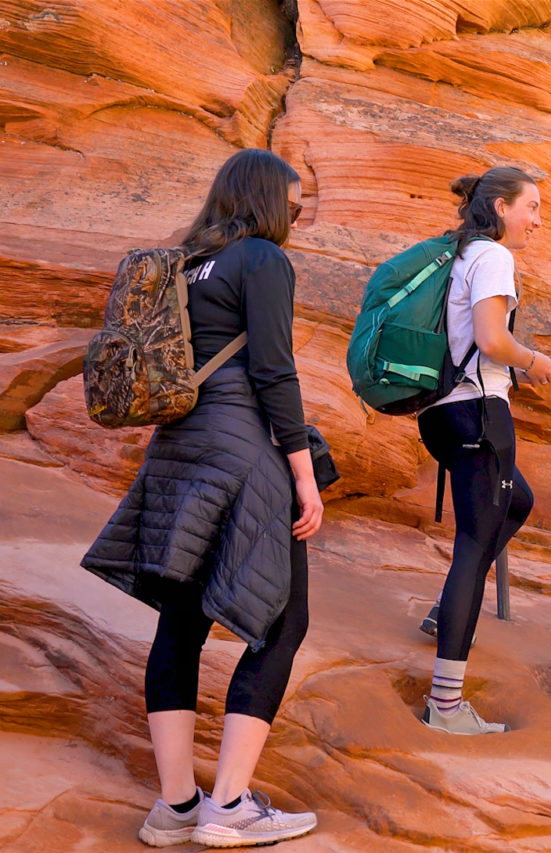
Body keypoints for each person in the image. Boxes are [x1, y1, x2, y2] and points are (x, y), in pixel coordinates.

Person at [81, 148, 324, 847]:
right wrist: (304, 477)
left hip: (179, 448)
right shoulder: (263, 261)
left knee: (181, 622)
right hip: (244, 449)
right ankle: (230, 804)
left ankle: (177, 805)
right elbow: (275, 372)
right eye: (295, 200)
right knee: (282, 619)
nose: (299, 213)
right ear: (267, 199)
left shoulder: (184, 262)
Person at [416, 166, 551, 735]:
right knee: (473, 551)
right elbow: (492, 338)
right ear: (501, 207)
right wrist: (533, 362)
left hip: (441, 412)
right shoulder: (495, 256)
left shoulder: (458, 251)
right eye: (532, 207)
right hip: (478, 409)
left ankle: (443, 609)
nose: (538, 220)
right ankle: (445, 708)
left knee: (515, 502)